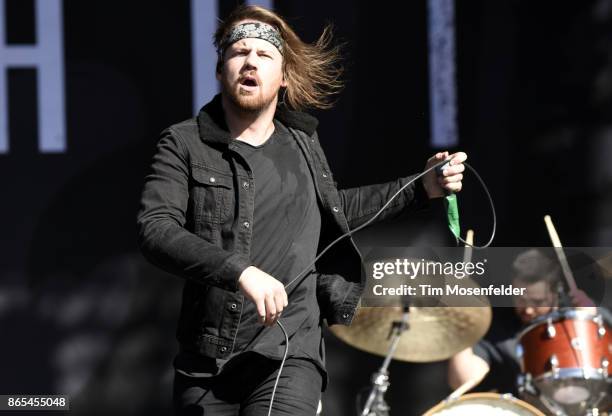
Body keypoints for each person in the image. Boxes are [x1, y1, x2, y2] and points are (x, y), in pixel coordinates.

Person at [136, 5, 466, 415]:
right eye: (238, 52)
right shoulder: (183, 143)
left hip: (289, 353)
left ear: (283, 78)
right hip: (208, 360)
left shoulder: (302, 144)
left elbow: (334, 210)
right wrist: (240, 272)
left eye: (263, 54)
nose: (250, 61)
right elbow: (155, 229)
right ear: (221, 71)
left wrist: (422, 188)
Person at [447, 248, 605, 396]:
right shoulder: (499, 330)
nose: (528, 309)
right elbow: (463, 381)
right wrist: (460, 332)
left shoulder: (577, 313)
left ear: (555, 292)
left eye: (538, 302)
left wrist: (589, 321)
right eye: (520, 299)